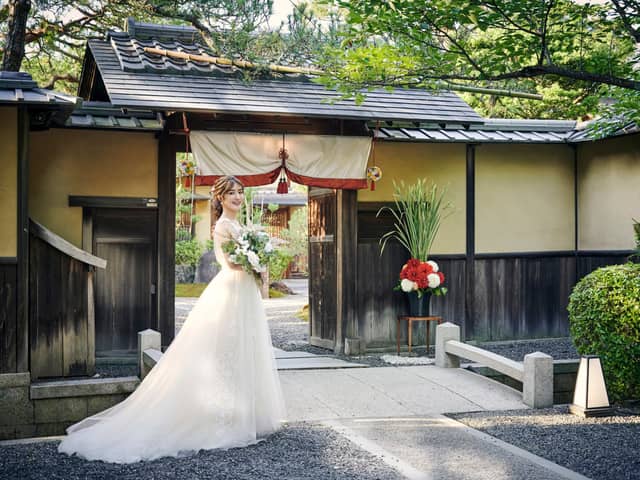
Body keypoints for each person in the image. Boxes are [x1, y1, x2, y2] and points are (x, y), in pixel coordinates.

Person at [58, 176, 286, 463]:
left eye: (240, 192)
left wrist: (260, 262)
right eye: (231, 193)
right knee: (223, 349)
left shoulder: (242, 226)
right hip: (230, 290)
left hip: (245, 292)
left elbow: (246, 259)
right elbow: (228, 262)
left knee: (242, 349)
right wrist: (253, 259)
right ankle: (218, 418)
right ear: (220, 198)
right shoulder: (223, 226)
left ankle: (242, 413)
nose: (238, 197)